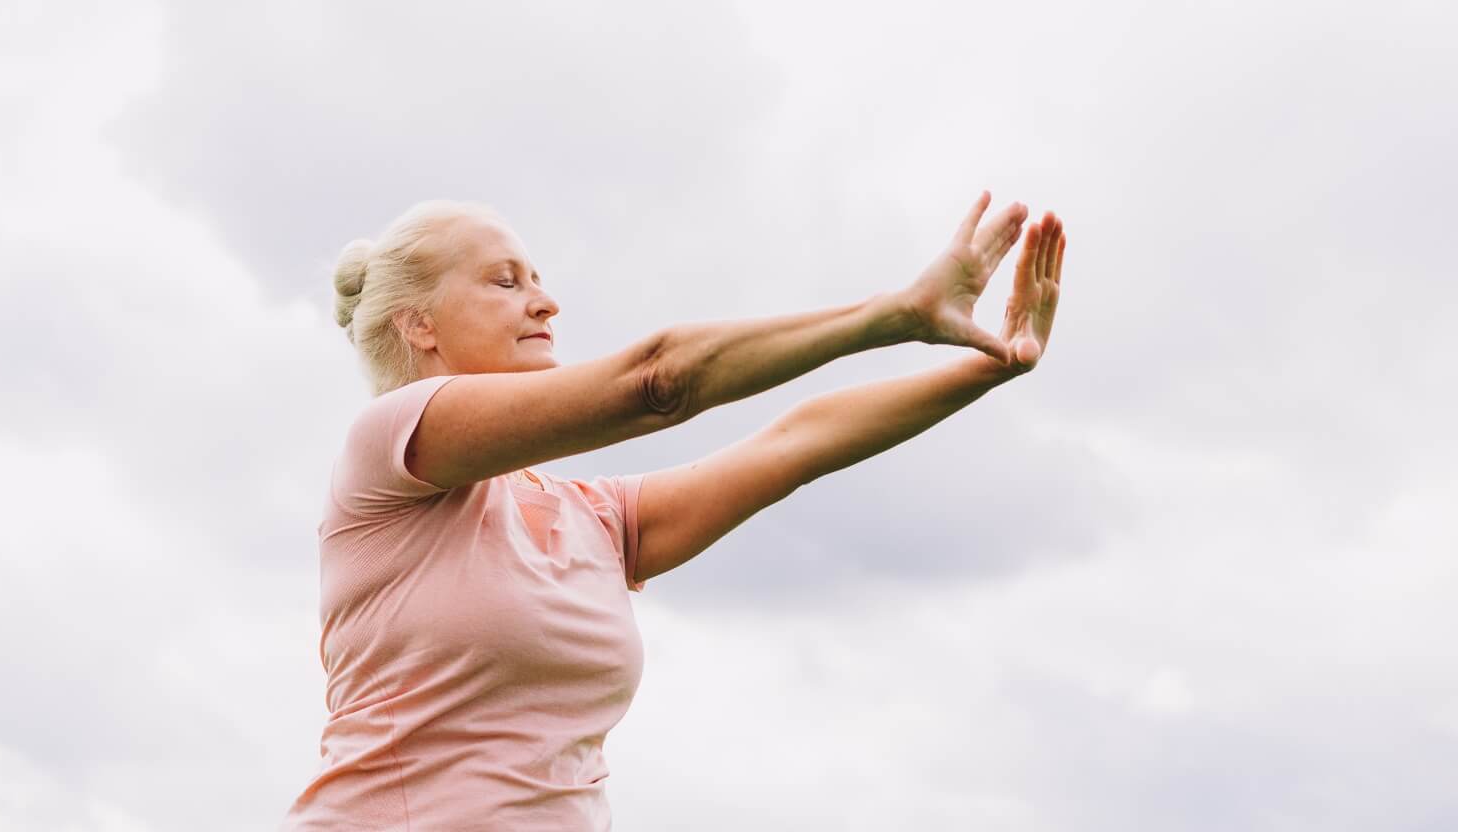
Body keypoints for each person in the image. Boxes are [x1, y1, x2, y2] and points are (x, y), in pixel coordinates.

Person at [281, 192, 1065, 830]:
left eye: (537, 279)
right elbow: (656, 381)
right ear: (418, 324)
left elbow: (797, 445)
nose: (546, 302)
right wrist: (895, 315)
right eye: (505, 281)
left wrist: (990, 366)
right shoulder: (388, 448)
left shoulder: (592, 520)